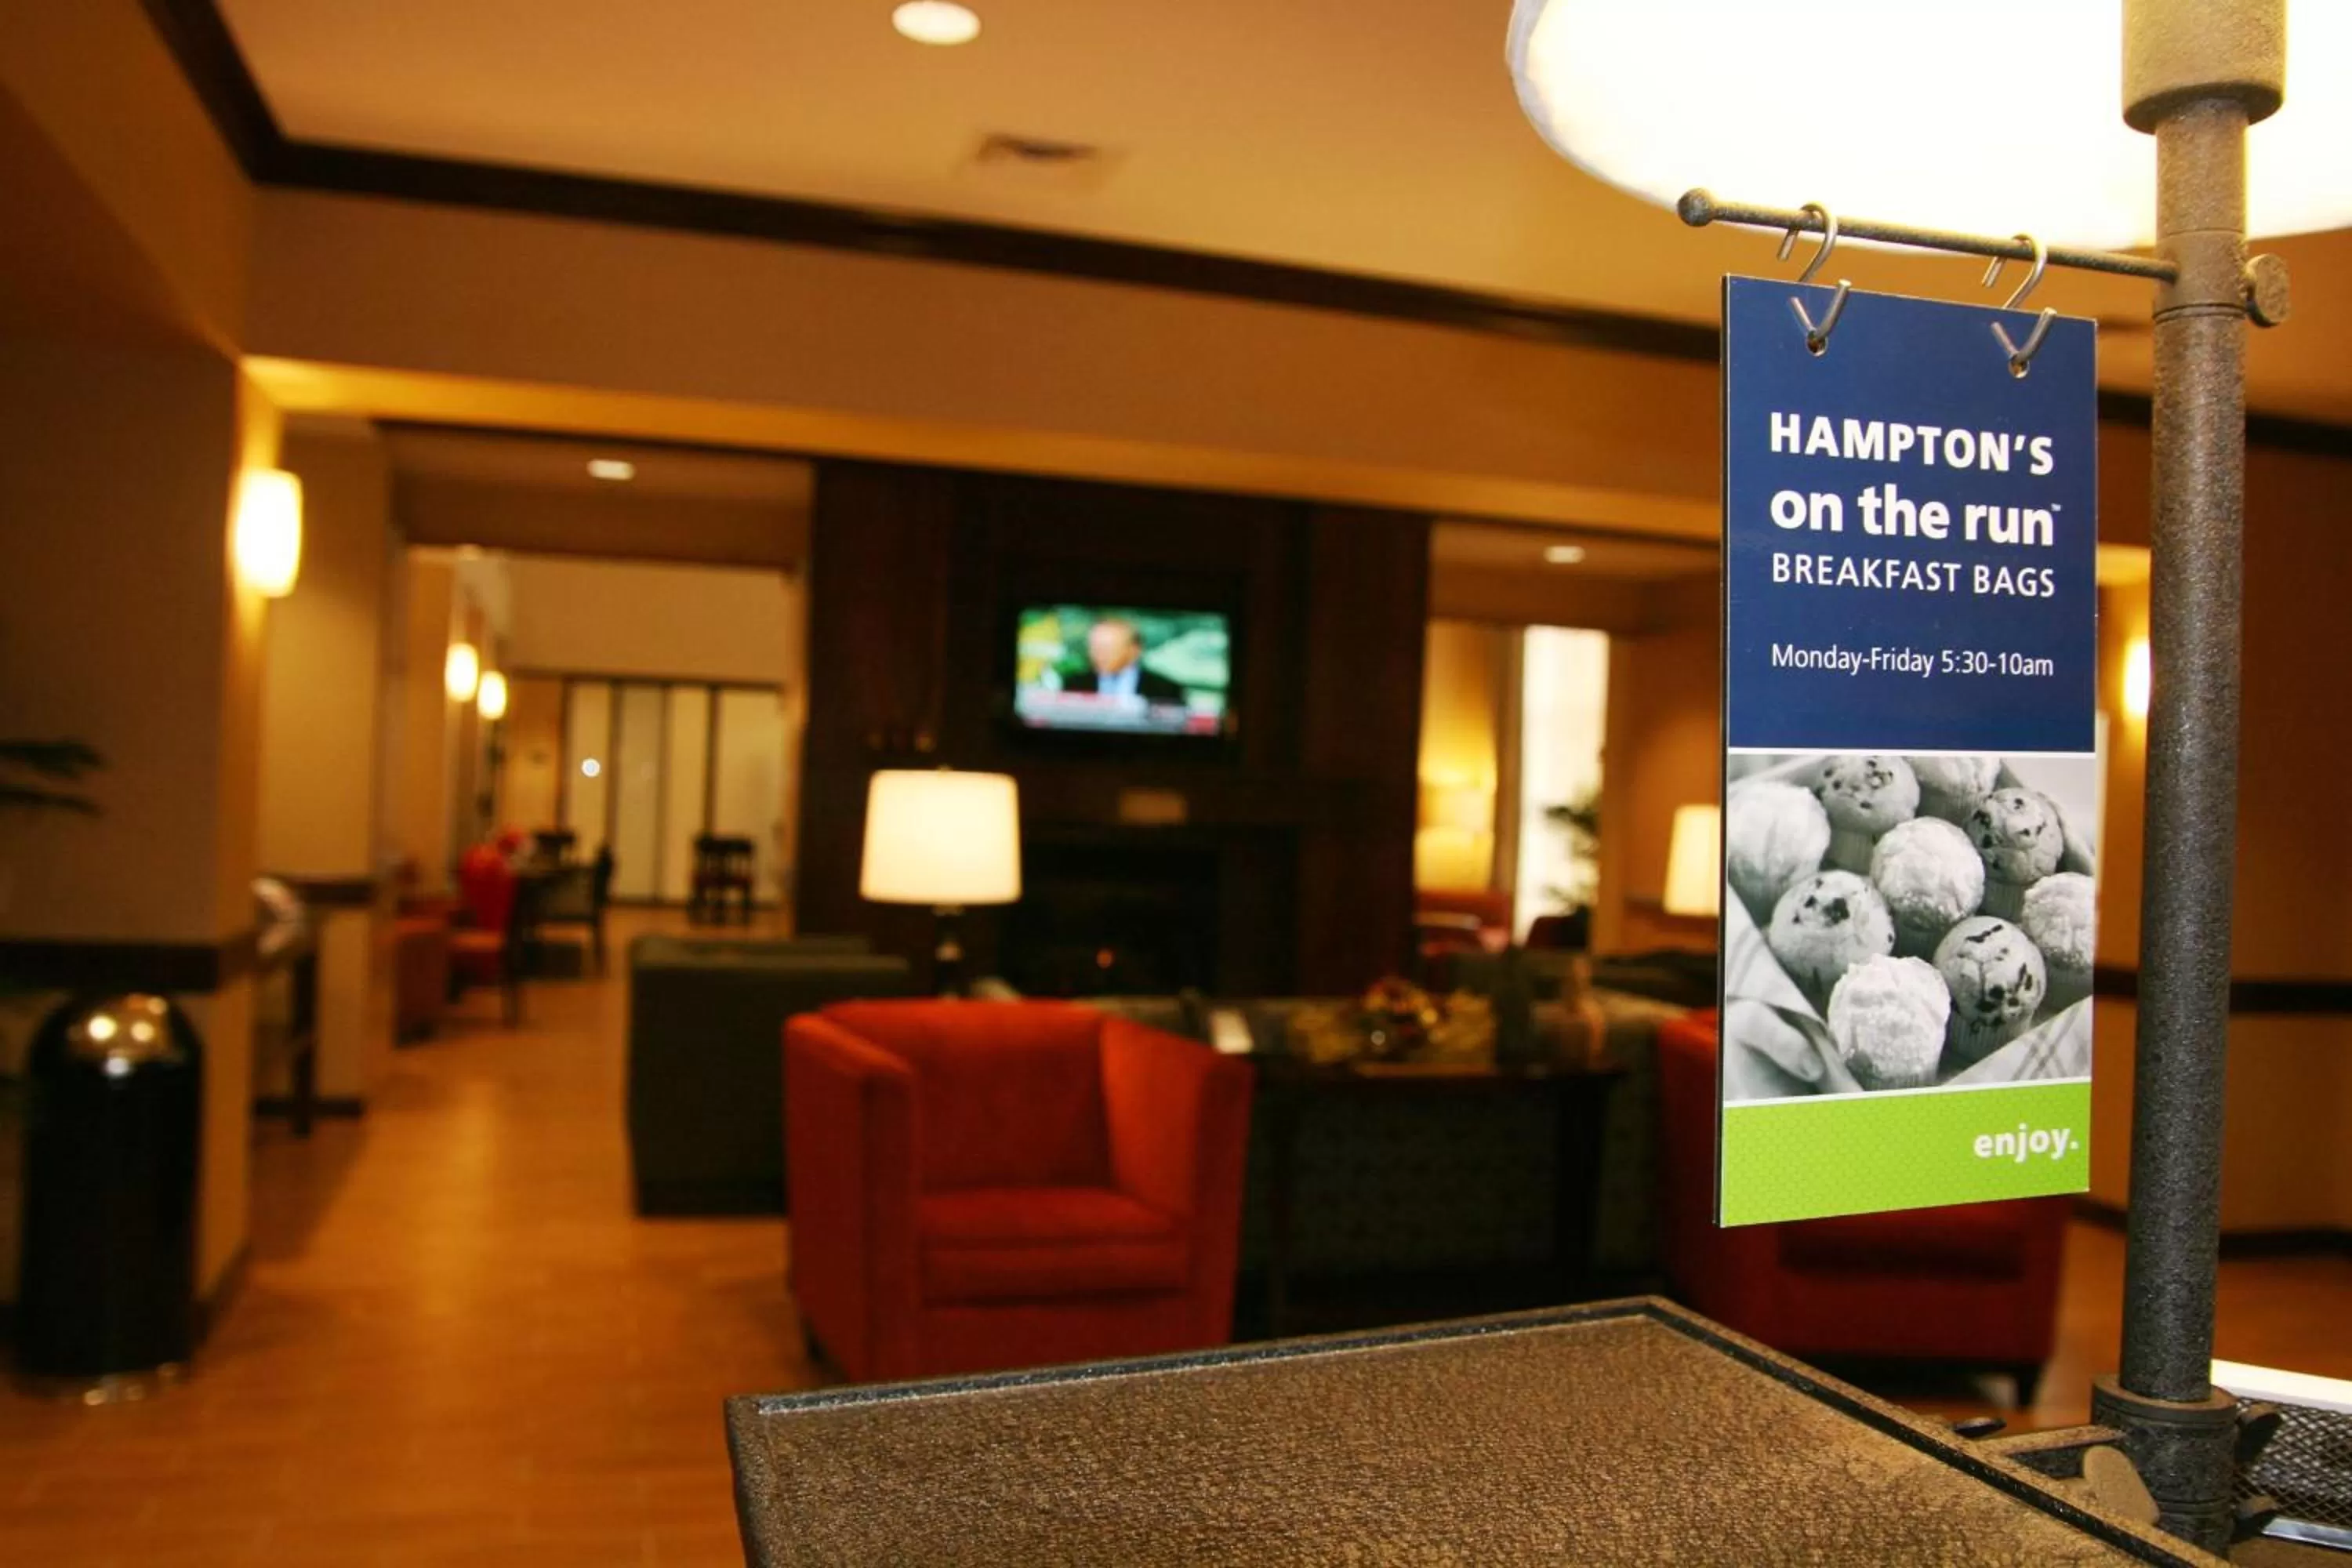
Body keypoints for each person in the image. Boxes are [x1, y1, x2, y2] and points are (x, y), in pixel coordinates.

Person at [1063, 618, 1186, 701]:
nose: (1098, 655)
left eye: (1107, 649)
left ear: (1134, 651)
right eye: (1094, 647)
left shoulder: (1166, 690)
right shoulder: (1073, 685)